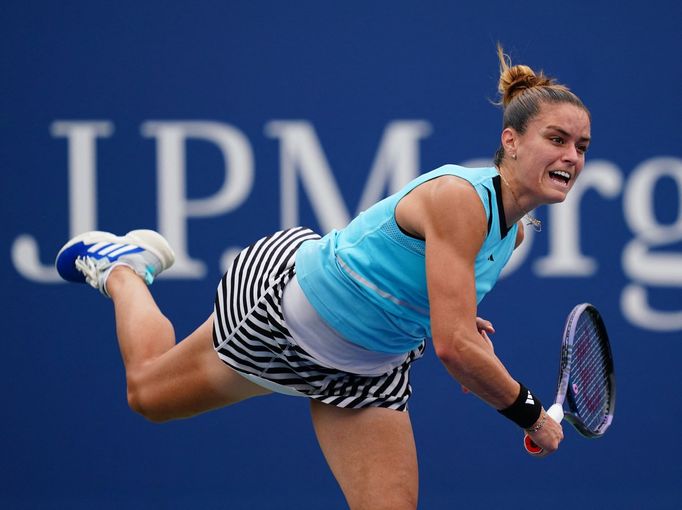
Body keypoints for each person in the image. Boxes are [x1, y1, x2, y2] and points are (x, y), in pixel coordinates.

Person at [55, 46, 591, 510]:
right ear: (511, 141)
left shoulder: (513, 236)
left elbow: (443, 318)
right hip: (287, 318)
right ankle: (124, 269)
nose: (571, 156)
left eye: (581, 146)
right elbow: (453, 348)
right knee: (147, 394)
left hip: (367, 371)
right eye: (557, 138)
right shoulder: (460, 199)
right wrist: (530, 415)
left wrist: (439, 313)